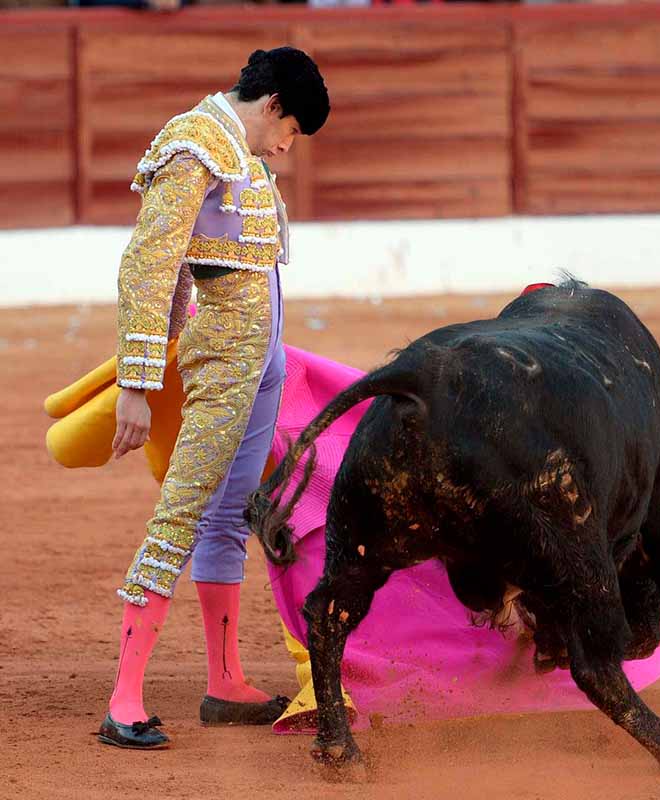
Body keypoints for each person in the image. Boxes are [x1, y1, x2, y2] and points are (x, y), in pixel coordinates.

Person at [96, 46, 329, 749]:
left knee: (231, 513)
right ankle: (124, 700)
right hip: (225, 361)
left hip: (263, 363)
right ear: (274, 107)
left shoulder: (243, 154)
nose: (287, 148)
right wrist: (138, 385)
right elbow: (151, 263)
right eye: (292, 132)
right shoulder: (195, 145)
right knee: (183, 512)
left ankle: (225, 682)